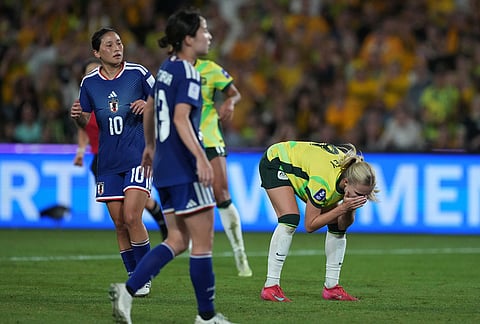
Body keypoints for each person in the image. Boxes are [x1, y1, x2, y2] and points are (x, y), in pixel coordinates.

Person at [109, 9, 234, 324]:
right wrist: (202, 159)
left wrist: (150, 147)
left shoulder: (166, 69)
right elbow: (180, 119)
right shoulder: (190, 73)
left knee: (178, 240)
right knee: (202, 242)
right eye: (204, 30)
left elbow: (150, 107)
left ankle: (128, 289)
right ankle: (206, 317)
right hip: (184, 166)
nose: (208, 36)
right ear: (188, 39)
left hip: (164, 167)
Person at [70, 27, 155, 297]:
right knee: (119, 223)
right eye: (109, 45)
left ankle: (144, 275)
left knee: (132, 215)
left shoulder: (138, 74)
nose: (117, 47)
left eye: (119, 42)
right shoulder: (89, 84)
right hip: (108, 160)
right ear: (97, 52)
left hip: (138, 156)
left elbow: (164, 101)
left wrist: (148, 105)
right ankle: (134, 276)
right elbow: (85, 120)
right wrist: (77, 117)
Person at [259, 141, 378, 302]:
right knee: (290, 218)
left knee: (336, 226)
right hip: (277, 160)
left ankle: (332, 287)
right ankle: (270, 286)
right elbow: (310, 225)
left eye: (365, 195)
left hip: (305, 165)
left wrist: (349, 207)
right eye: (358, 194)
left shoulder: (350, 177)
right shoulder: (323, 183)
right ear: (346, 183)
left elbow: (342, 224)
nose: (361, 199)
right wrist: (342, 208)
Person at [73, 58, 168, 240]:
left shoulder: (118, 96)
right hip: (102, 159)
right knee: (121, 218)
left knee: (134, 210)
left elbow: (157, 105)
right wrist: (80, 151)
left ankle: (163, 227)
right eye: (89, 72)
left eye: (96, 70)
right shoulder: (89, 103)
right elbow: (82, 128)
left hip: (130, 154)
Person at [194, 57, 252, 277]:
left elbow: (234, 92)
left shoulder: (209, 68)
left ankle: (240, 254)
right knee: (191, 197)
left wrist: (231, 101)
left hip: (209, 137)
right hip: (181, 138)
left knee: (222, 194)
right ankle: (196, 252)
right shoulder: (170, 69)